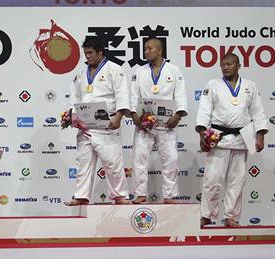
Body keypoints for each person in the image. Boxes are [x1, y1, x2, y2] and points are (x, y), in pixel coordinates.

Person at [196, 53, 268, 227]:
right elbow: (204, 110)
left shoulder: (250, 86)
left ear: (238, 65)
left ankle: (231, 217)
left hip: (243, 137)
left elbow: (258, 112)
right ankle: (207, 215)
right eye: (223, 64)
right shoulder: (213, 85)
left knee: (238, 180)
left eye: (229, 64)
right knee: (212, 179)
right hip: (218, 137)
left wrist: (260, 135)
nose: (225, 67)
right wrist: (202, 133)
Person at [64, 37, 131, 206]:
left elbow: (122, 94)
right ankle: (81, 196)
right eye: (85, 53)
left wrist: (119, 115)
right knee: (83, 162)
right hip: (85, 124)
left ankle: (119, 195)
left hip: (106, 122)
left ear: (100, 52)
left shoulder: (114, 70)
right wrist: (72, 115)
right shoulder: (80, 75)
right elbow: (74, 98)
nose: (87, 56)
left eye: (91, 53)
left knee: (112, 161)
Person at [130, 38, 188, 204]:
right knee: (139, 158)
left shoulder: (174, 70)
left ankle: (170, 195)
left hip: (166, 123)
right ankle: (140, 193)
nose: (146, 51)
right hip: (144, 124)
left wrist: (177, 116)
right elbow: (133, 98)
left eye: (150, 48)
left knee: (171, 159)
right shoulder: (139, 72)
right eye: (145, 49)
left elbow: (181, 95)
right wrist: (135, 117)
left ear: (160, 50)